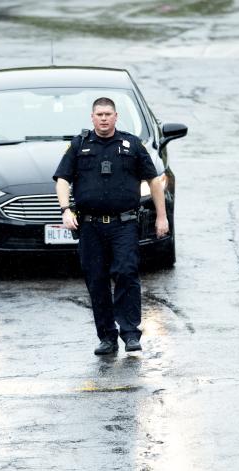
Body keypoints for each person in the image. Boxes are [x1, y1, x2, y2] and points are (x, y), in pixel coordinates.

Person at [54, 97, 169, 356]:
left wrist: (161, 217)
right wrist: (65, 210)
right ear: (92, 117)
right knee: (96, 280)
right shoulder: (79, 145)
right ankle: (107, 337)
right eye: (99, 114)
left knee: (127, 274)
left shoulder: (132, 145)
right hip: (90, 226)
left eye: (108, 114)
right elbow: (62, 179)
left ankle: (130, 333)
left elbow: (154, 181)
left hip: (124, 224)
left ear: (116, 117)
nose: (103, 119)